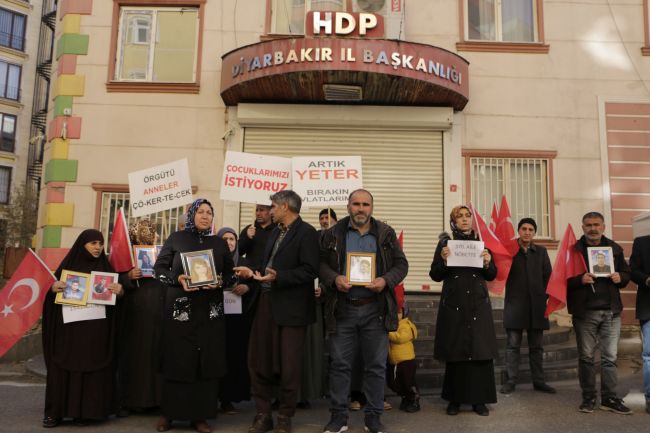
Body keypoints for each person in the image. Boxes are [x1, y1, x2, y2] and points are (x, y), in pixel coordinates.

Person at [320, 189, 408, 433]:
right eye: (356, 204)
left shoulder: (386, 233)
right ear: (348, 206)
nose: (361, 208)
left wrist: (385, 280)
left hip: (375, 309)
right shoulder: (332, 234)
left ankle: (374, 418)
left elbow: (402, 264)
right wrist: (334, 278)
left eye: (365, 204)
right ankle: (338, 418)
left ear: (372, 207)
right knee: (339, 365)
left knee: (376, 366)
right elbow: (321, 264)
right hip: (343, 308)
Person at [234, 190, 319, 433]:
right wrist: (251, 272)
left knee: (289, 366)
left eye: (272, 206)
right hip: (265, 303)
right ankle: (263, 415)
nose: (270, 210)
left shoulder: (307, 233)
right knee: (258, 360)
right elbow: (265, 265)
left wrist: (280, 276)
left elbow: (310, 270)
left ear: (285, 207)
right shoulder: (274, 232)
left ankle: (284, 417)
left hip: (292, 309)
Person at [153, 199, 234, 433]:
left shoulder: (218, 243)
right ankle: (169, 414)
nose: (205, 216)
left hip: (210, 312)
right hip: (181, 309)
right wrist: (177, 279)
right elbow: (159, 269)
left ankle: (200, 416)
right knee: (177, 359)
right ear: (191, 215)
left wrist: (221, 281)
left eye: (209, 212)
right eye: (200, 212)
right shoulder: (176, 239)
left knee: (205, 362)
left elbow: (231, 276)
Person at [42, 229, 124, 428]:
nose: (98, 247)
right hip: (70, 331)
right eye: (93, 243)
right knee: (63, 368)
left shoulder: (106, 270)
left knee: (93, 368)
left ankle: (87, 413)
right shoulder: (67, 268)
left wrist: (120, 291)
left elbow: (118, 304)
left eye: (101, 243)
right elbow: (50, 298)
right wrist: (53, 289)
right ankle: (56, 413)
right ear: (82, 244)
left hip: (95, 331)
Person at [430, 205, 497, 416]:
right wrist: (443, 260)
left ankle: (480, 401)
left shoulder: (481, 242)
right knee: (456, 351)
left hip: (478, 305)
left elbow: (492, 275)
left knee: (480, 352)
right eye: (459, 217)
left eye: (468, 216)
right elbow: (435, 275)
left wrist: (488, 263)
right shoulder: (445, 243)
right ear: (454, 222)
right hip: (455, 305)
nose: (465, 219)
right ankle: (455, 400)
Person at [567, 211, 631, 415]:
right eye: (588, 225)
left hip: (611, 312)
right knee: (586, 357)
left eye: (596, 224)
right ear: (583, 227)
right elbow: (562, 280)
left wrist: (620, 277)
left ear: (603, 226)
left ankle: (609, 398)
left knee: (609, 358)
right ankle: (588, 397)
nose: (593, 228)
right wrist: (580, 280)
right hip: (585, 313)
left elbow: (627, 274)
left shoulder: (615, 249)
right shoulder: (573, 251)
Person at [500, 218, 556, 394]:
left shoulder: (541, 252)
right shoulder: (509, 251)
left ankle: (539, 381)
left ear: (534, 233)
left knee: (537, 347)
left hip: (536, 307)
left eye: (531, 229)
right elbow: (500, 273)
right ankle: (510, 381)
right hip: (515, 306)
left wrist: (542, 296)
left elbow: (548, 276)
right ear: (519, 231)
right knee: (512, 346)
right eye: (524, 228)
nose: (527, 232)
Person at [117, 219, 165, 416]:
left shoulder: (161, 254)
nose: (148, 235)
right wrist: (128, 277)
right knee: (134, 358)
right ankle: (131, 401)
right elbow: (113, 279)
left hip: (158, 315)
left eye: (150, 232)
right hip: (133, 317)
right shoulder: (124, 256)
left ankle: (156, 400)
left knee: (156, 357)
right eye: (144, 232)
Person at [215, 227, 252, 414]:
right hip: (215, 317)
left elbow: (256, 283)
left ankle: (227, 399)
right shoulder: (212, 261)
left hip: (237, 320)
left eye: (232, 239)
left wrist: (246, 287)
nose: (229, 242)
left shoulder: (244, 263)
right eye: (224, 239)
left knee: (232, 357)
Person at [629, 233, 650, 414]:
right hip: (649, 308)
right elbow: (633, 271)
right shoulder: (641, 242)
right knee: (649, 355)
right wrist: (646, 279)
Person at [387, 303, 420, 413]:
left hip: (406, 361)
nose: (396, 315)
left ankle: (414, 399)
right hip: (394, 361)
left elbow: (400, 338)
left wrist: (388, 333)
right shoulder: (391, 325)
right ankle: (405, 397)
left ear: (404, 313)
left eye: (399, 313)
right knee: (393, 382)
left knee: (408, 382)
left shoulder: (406, 325)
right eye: (394, 312)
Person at [239, 204, 276, 270]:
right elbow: (238, 251)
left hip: (269, 271)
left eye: (261, 210)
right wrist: (247, 238)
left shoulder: (277, 230)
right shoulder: (249, 229)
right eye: (256, 210)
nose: (258, 213)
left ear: (270, 211)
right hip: (250, 271)